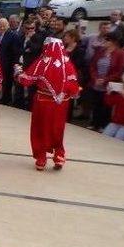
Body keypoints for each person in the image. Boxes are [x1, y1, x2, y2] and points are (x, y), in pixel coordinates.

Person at [15, 37, 80, 171]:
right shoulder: (67, 63)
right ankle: (59, 156)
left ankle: (41, 158)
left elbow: (27, 80)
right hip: (61, 104)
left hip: (43, 102)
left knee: (41, 129)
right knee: (57, 129)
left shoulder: (42, 62)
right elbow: (74, 87)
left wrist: (18, 73)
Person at [87, 32, 124, 131]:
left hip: (109, 85)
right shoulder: (100, 51)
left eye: (107, 40)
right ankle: (94, 124)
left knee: (106, 106)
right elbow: (92, 65)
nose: (105, 41)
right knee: (96, 104)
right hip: (96, 83)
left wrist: (105, 80)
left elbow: (119, 71)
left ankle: (103, 125)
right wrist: (95, 78)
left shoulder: (120, 53)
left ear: (113, 41)